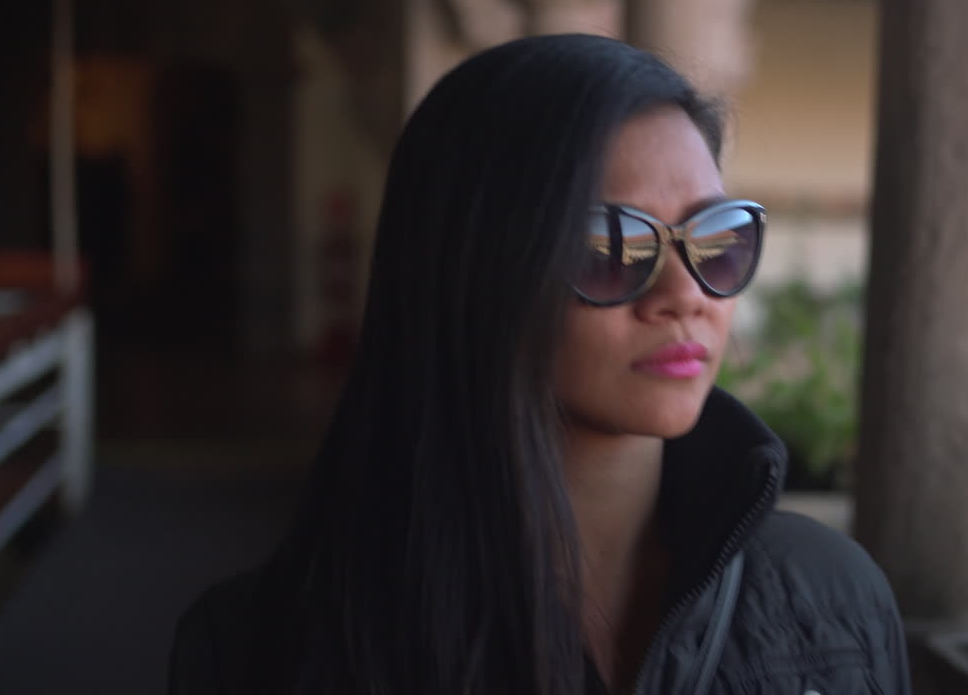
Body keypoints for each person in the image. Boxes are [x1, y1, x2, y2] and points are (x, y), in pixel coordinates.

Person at [168, 34, 911, 695]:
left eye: (717, 239)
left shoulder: (832, 598)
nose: (685, 294)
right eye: (611, 247)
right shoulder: (261, 647)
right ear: (470, 269)